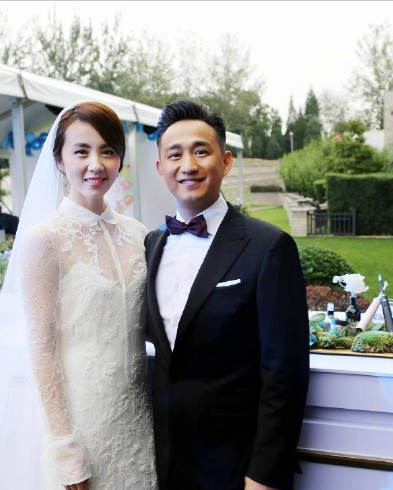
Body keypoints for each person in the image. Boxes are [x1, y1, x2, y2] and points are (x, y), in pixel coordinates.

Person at [0, 101, 157, 490]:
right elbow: (42, 349)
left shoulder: (138, 233)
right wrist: (66, 448)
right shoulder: (44, 240)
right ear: (59, 160)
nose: (96, 164)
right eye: (81, 151)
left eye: (108, 151)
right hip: (83, 425)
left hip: (139, 417)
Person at [145, 98, 310, 490]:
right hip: (164, 463)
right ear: (160, 168)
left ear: (226, 160)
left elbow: (285, 373)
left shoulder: (269, 247)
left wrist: (264, 475)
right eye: (175, 154)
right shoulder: (151, 244)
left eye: (201, 151)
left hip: (235, 468)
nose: (188, 165)